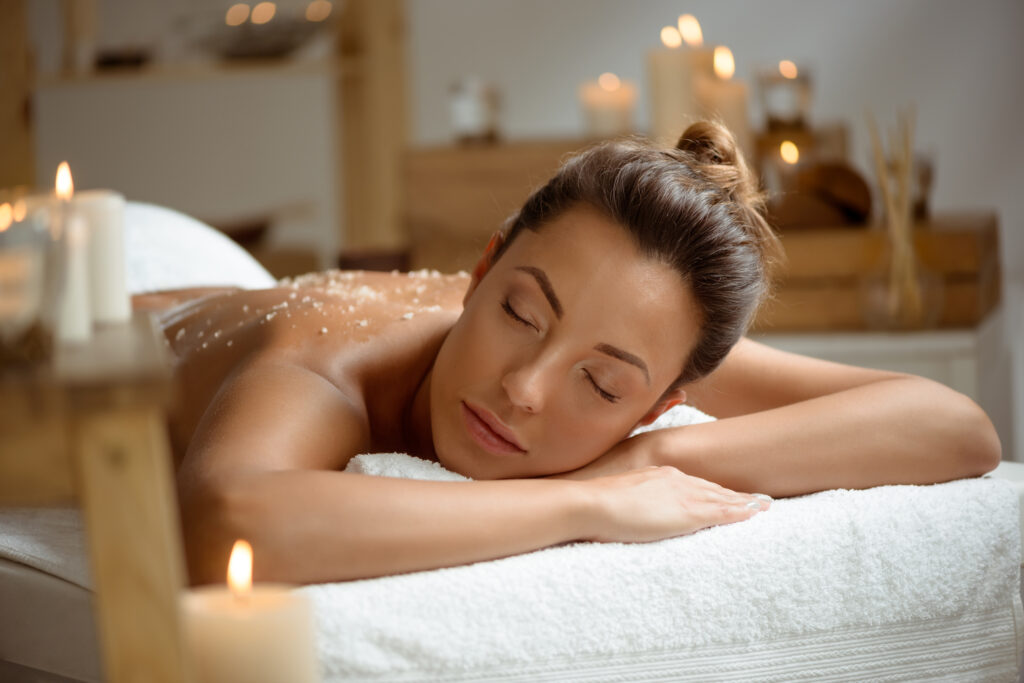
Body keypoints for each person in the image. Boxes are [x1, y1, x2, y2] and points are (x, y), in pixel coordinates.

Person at [139, 121, 1001, 586]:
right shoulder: (327, 362)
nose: (525, 386)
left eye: (601, 383)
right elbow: (228, 522)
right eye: (519, 311)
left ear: (660, 397)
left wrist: (659, 455)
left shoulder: (644, 350)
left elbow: (953, 426)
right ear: (483, 269)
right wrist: (582, 501)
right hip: (124, 309)